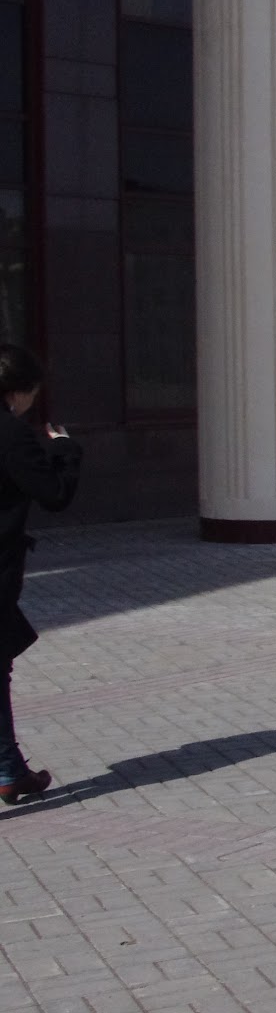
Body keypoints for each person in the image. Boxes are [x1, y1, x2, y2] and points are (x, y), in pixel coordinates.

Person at [0, 345, 81, 805]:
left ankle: (10, 769)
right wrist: (66, 452)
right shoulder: (12, 433)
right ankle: (8, 770)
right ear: (19, 391)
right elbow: (53, 494)